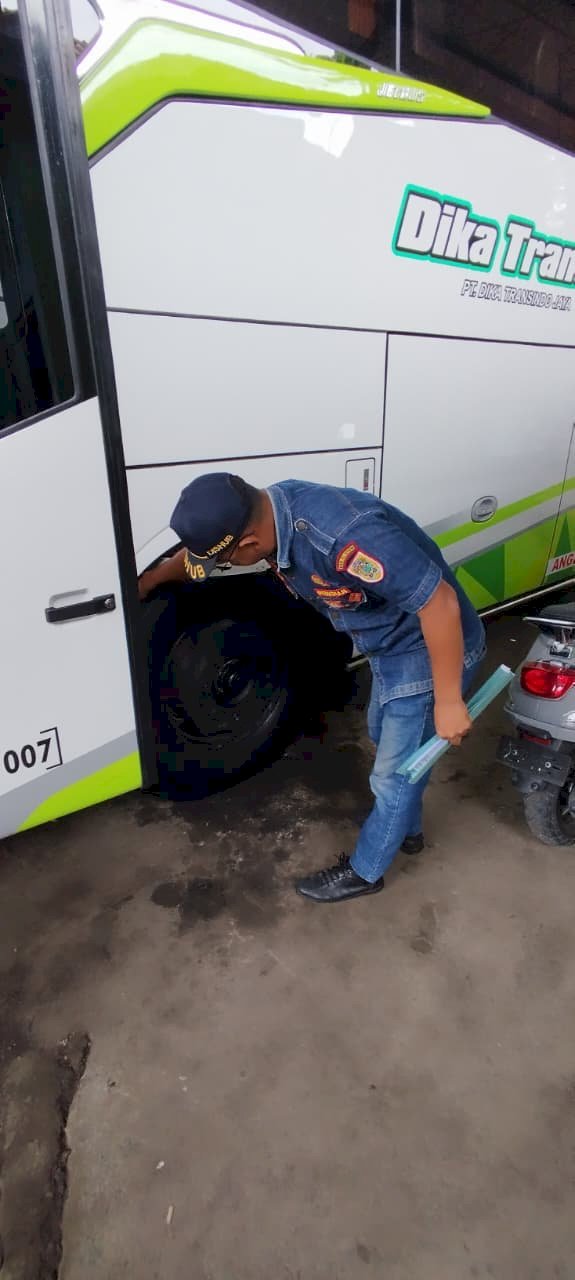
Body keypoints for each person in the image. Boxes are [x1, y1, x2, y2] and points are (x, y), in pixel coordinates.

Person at [139, 474, 486, 904]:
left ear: (248, 543)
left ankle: (367, 870)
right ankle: (405, 830)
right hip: (390, 648)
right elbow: (198, 559)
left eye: (225, 561)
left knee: (392, 775)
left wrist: (448, 700)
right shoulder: (267, 516)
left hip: (426, 650)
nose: (225, 567)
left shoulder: (343, 539)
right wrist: (153, 579)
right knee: (387, 739)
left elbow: (439, 602)